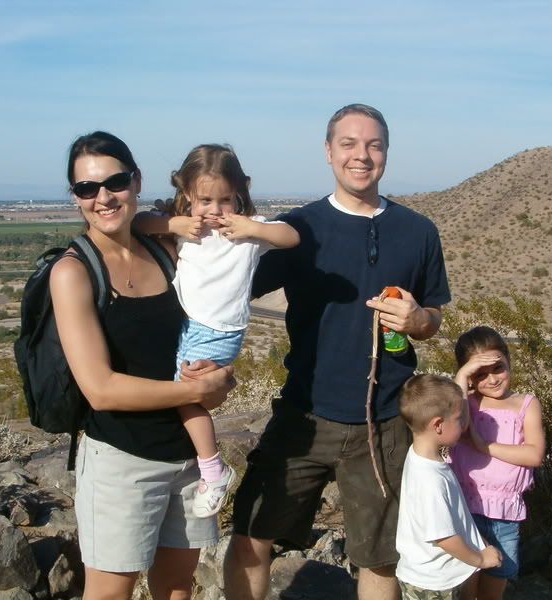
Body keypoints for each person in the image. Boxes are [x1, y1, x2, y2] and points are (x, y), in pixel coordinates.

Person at [224, 103, 451, 600]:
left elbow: (433, 318)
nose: (361, 155)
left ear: (386, 153)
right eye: (348, 144)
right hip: (305, 414)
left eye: (373, 145)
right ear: (328, 152)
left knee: (380, 560)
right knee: (250, 538)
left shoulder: (418, 231)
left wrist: (418, 320)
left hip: (385, 422)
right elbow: (227, 289)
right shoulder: (297, 229)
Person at [50, 131, 235, 600]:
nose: (103, 197)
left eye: (115, 182)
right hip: (121, 459)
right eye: (87, 188)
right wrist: (197, 392)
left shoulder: (165, 250)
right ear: (75, 196)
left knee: (176, 588)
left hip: (188, 457)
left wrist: (218, 376)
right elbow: (101, 389)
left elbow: (200, 332)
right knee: (110, 593)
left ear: (136, 180)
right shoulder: (74, 272)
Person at [135, 144, 299, 518]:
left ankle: (213, 470)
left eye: (225, 199)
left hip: (218, 330)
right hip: (189, 325)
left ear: (239, 193)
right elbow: (139, 222)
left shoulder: (245, 233)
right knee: (177, 393)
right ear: (187, 193)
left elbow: (291, 237)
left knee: (186, 396)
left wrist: (252, 227)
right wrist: (173, 224)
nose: (215, 210)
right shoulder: (186, 226)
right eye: (205, 200)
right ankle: (198, 465)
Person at [448, 326, 546, 600]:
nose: (491, 379)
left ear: (508, 361)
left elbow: (534, 454)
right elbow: (454, 424)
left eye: (498, 368)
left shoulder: (525, 404)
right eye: (479, 374)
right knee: (466, 588)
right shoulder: (466, 404)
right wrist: (461, 378)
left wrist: (484, 446)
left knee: (493, 587)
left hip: (504, 515)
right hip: (464, 509)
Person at [396, 374, 502, 599]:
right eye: (459, 418)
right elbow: (443, 537)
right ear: (437, 425)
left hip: (436, 577)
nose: (464, 424)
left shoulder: (421, 457)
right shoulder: (429, 480)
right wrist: (480, 559)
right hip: (433, 583)